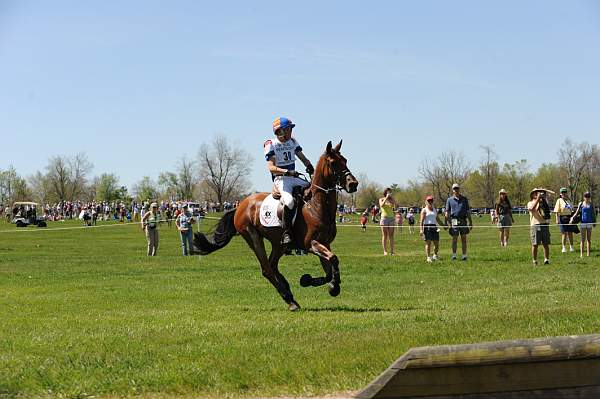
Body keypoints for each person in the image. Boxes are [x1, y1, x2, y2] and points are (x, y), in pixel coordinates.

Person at [264, 117, 314, 245]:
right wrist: (287, 172)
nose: (291, 131)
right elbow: (271, 168)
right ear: (280, 131)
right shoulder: (271, 144)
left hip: (293, 177)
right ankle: (286, 233)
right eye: (289, 129)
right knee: (290, 201)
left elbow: (302, 158)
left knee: (313, 191)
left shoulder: (292, 141)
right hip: (281, 179)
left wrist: (310, 166)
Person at [445, 183, 473, 260]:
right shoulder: (449, 200)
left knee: (464, 238)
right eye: (454, 189)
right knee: (454, 238)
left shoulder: (464, 199)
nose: (456, 190)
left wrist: (470, 222)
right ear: (452, 190)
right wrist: (447, 222)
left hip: (463, 220)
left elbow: (468, 211)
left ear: (459, 189)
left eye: (457, 188)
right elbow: (447, 212)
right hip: (454, 220)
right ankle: (454, 255)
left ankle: (464, 255)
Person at [528, 188, 552, 265]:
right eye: (535, 193)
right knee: (535, 244)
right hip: (535, 225)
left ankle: (546, 260)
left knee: (546, 244)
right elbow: (532, 209)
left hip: (544, 224)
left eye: (538, 193)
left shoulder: (544, 202)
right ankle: (535, 260)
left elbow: (547, 211)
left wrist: (543, 198)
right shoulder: (530, 203)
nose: (537, 194)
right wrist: (538, 199)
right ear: (532, 195)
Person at [419, 195, 445, 262]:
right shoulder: (424, 210)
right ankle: (428, 257)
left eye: (431, 200)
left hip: (435, 227)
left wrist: (444, 225)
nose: (430, 202)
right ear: (426, 202)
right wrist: (421, 230)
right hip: (427, 227)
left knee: (436, 243)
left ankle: (435, 256)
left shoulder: (434, 210)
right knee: (428, 243)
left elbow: (438, 220)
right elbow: (421, 221)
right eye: (429, 200)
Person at [570, 192, 596, 258]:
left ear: (589, 197)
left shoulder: (591, 204)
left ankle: (588, 254)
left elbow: (594, 214)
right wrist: (572, 218)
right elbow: (577, 212)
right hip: (583, 223)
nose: (587, 198)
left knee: (589, 239)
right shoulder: (581, 204)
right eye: (586, 196)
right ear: (584, 197)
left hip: (589, 223)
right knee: (582, 239)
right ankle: (581, 254)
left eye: (588, 197)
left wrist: (594, 222)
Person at [554, 187, 576, 253]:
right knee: (564, 233)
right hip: (562, 218)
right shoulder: (559, 200)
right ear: (560, 194)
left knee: (570, 233)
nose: (564, 194)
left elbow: (572, 209)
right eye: (562, 192)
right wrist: (557, 219)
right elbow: (556, 211)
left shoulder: (569, 201)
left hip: (569, 218)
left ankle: (571, 247)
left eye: (565, 192)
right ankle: (563, 248)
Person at [378, 188, 397, 255]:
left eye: (390, 192)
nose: (389, 193)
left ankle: (392, 251)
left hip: (391, 218)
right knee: (385, 235)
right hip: (384, 218)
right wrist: (386, 198)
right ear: (385, 192)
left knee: (391, 235)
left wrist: (392, 199)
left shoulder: (391, 200)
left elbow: (395, 206)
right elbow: (381, 205)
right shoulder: (381, 199)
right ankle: (385, 251)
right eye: (388, 192)